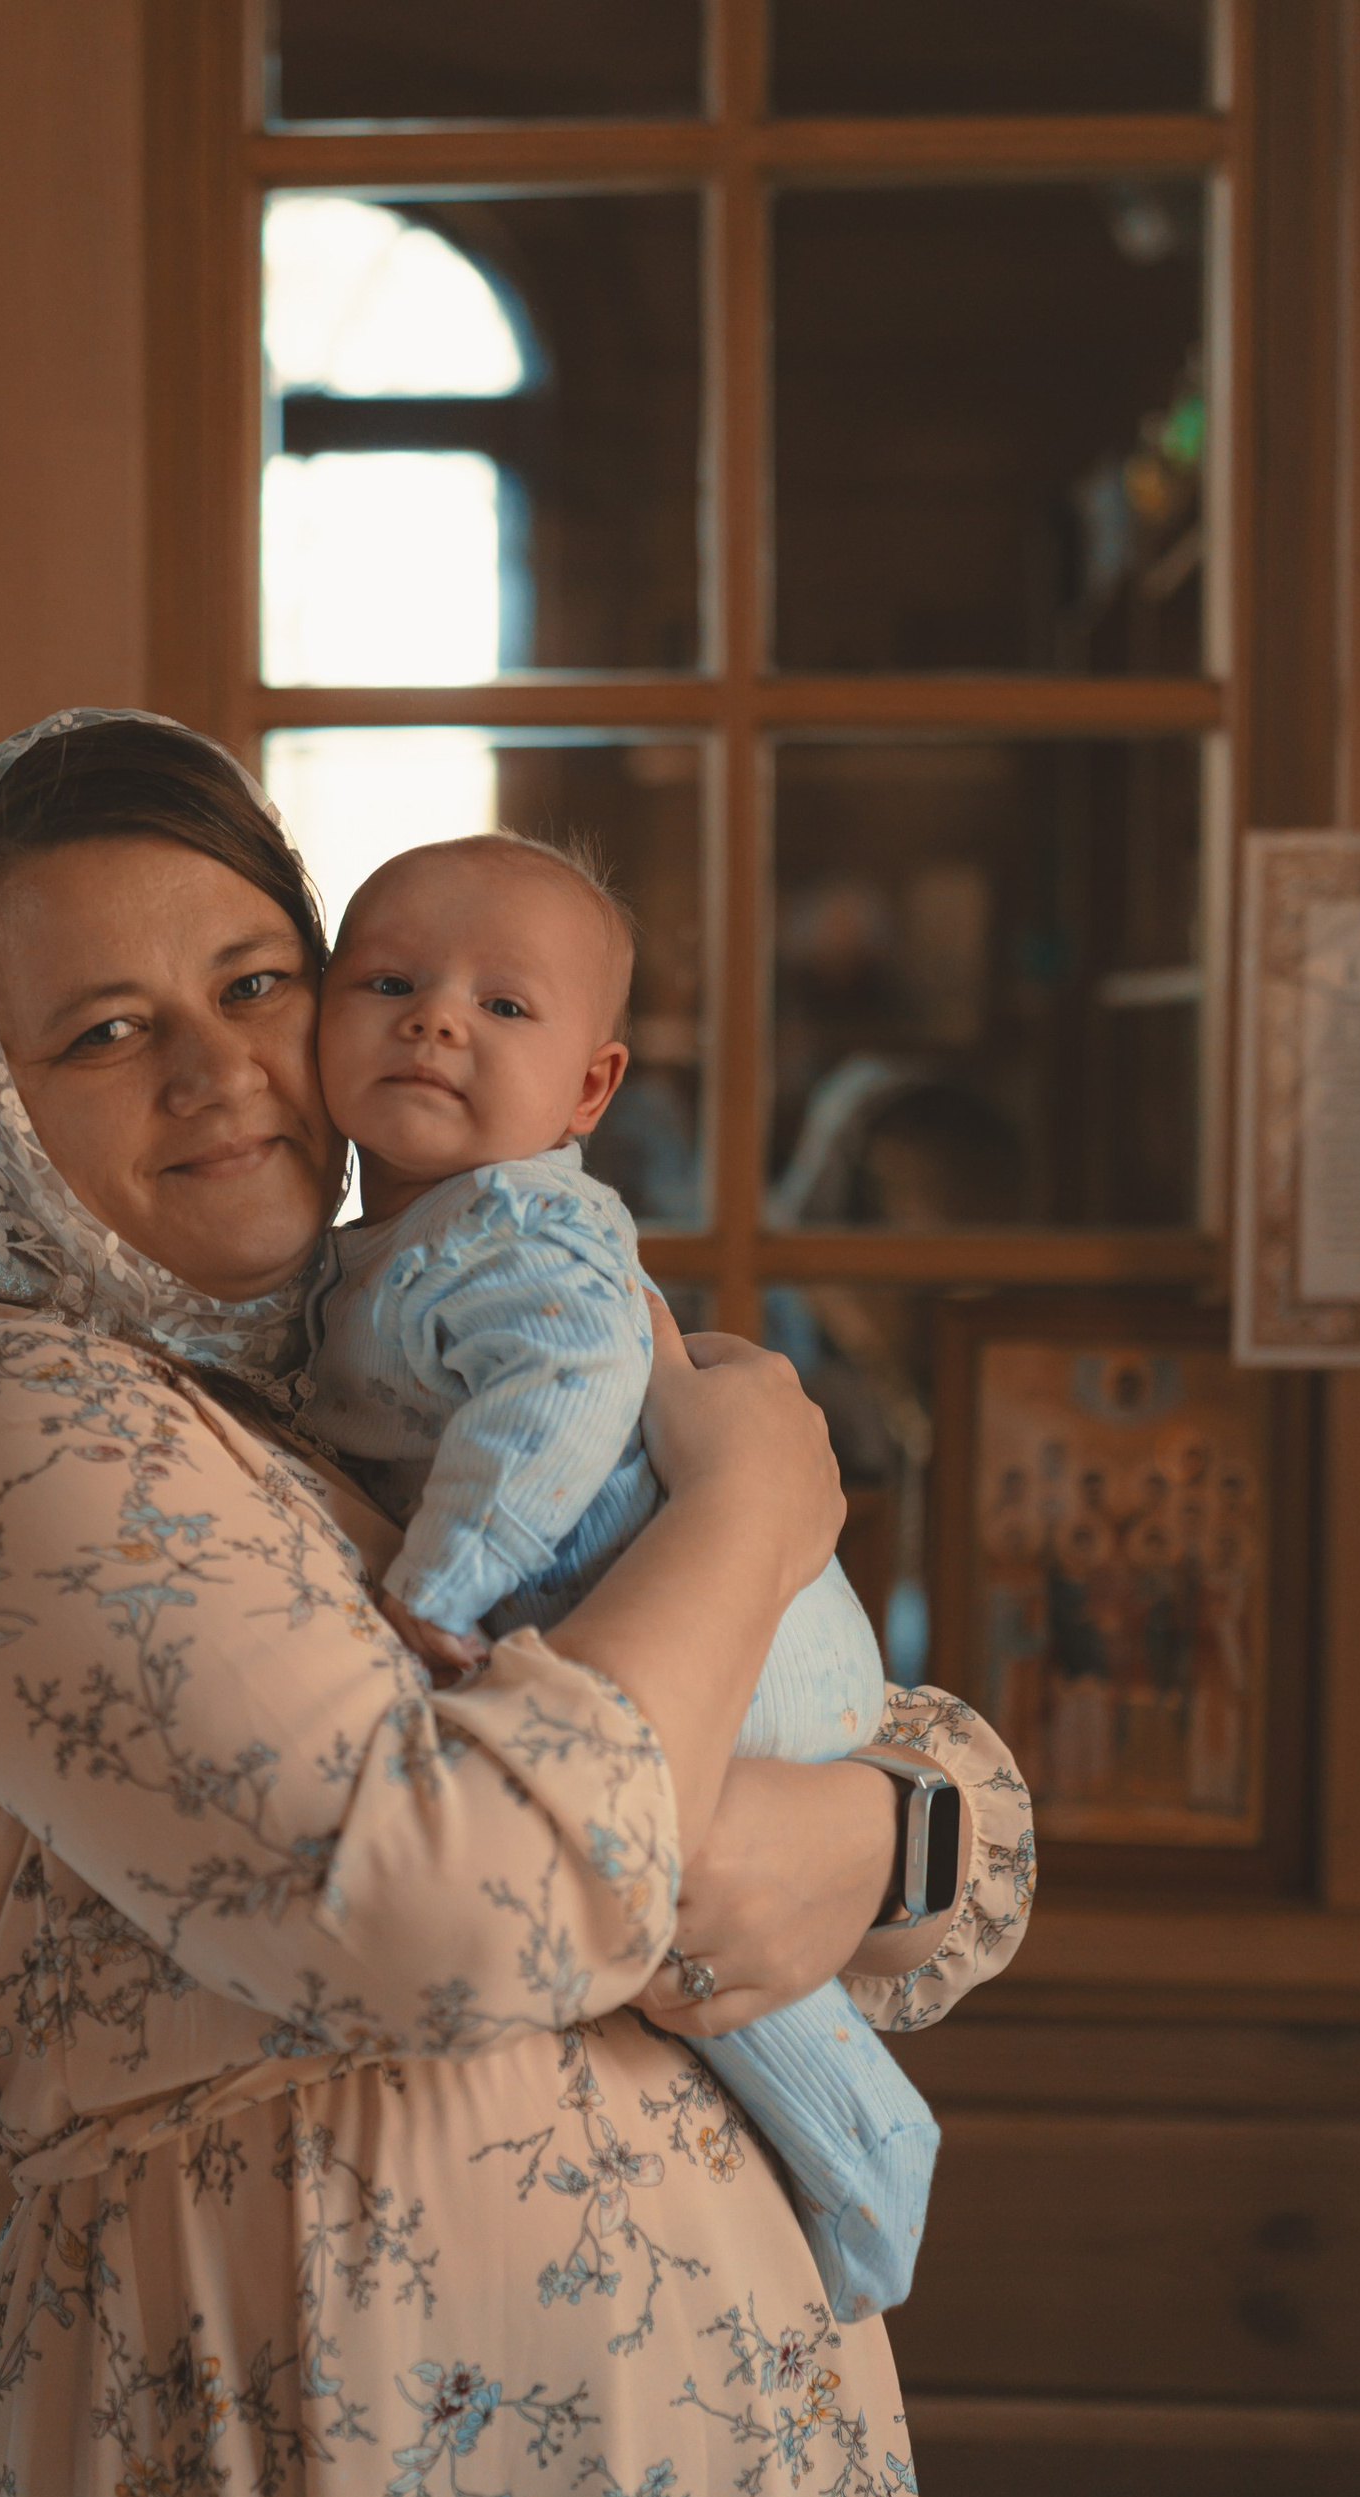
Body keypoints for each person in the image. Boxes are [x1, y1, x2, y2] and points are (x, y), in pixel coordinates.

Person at [0, 710, 1035, 2497]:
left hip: (719, 2458)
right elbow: (453, 1911)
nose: (222, 1071)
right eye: (109, 1030)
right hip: (308, 2448)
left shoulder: (380, 1348)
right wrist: (752, 1506)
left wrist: (876, 1831)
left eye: (253, 983)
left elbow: (972, 1830)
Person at [304, 830, 938, 2322]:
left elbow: (565, 1398)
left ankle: (877, 2171)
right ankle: (868, 2162)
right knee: (696, 1957)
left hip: (744, 1627)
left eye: (503, 1007)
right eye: (387, 981)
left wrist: (438, 1597)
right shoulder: (385, 1245)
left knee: (670, 1919)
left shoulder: (526, 1230)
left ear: (590, 1089)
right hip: (687, 1614)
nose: (437, 1017)